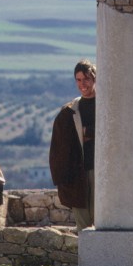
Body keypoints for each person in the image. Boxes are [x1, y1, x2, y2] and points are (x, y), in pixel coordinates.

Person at [49, 59, 96, 231]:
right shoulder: (68, 113)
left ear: (95, 79)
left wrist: (88, 132)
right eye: (79, 80)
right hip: (78, 178)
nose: (83, 84)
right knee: (83, 228)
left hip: (102, 173)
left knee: (104, 225)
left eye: (86, 79)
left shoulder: (107, 106)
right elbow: (58, 149)